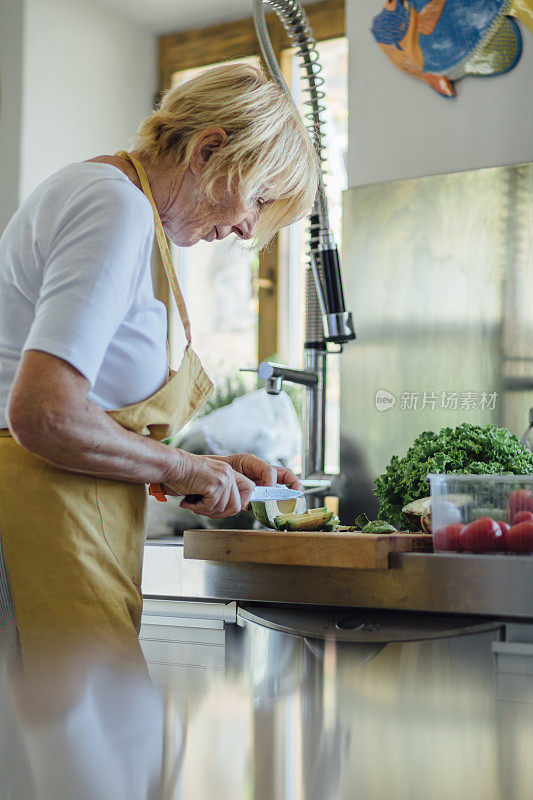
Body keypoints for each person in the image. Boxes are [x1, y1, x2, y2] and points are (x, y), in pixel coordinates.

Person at [0, 62, 318, 680]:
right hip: (33, 523)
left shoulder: (122, 206)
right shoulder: (112, 205)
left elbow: (86, 413)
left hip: (67, 517)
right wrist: (181, 465)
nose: (248, 228)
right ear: (208, 150)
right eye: (256, 199)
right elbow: (44, 413)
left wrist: (208, 469)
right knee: (61, 768)